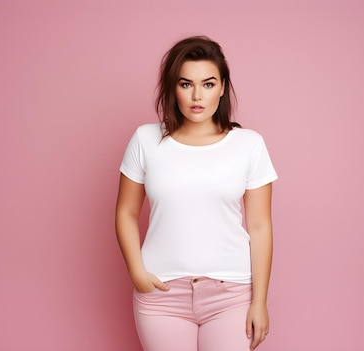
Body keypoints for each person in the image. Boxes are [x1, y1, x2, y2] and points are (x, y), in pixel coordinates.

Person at [115, 36, 277, 351]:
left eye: (208, 83)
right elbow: (126, 212)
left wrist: (260, 301)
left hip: (231, 295)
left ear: (222, 87)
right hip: (161, 294)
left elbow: (260, 227)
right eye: (186, 84)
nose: (197, 95)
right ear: (173, 88)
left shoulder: (249, 145)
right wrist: (137, 272)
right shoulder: (145, 140)